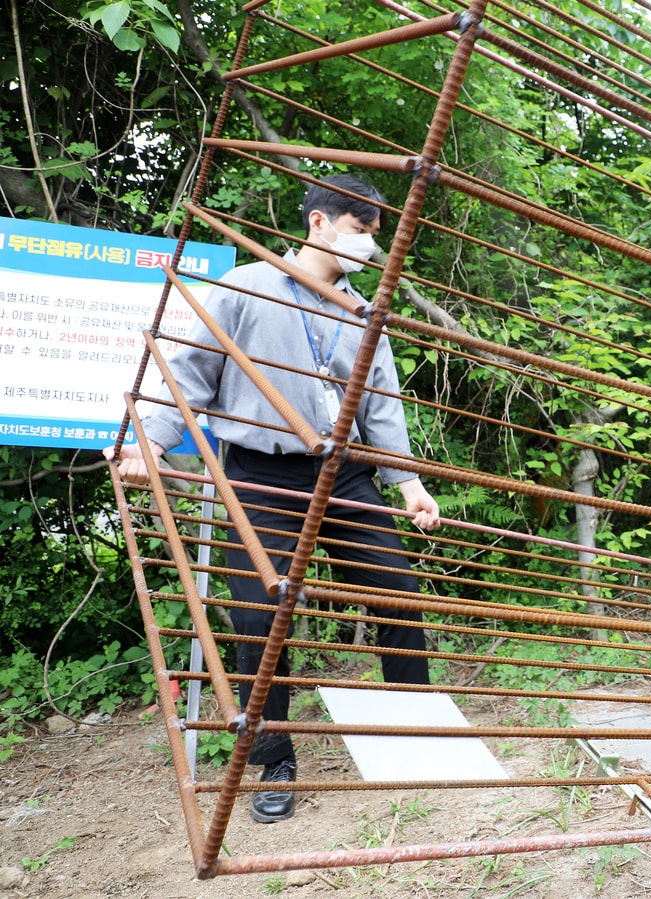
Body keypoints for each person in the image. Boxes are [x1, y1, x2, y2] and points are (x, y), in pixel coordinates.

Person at [106, 174, 442, 823]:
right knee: (262, 614)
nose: (368, 247)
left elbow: (382, 403)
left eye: (374, 237)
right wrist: (146, 443)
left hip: (343, 475)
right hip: (260, 471)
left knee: (397, 588)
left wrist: (409, 482)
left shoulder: (362, 311)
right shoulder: (246, 288)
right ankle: (273, 756)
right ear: (319, 222)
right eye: (360, 230)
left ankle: (416, 731)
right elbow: (188, 375)